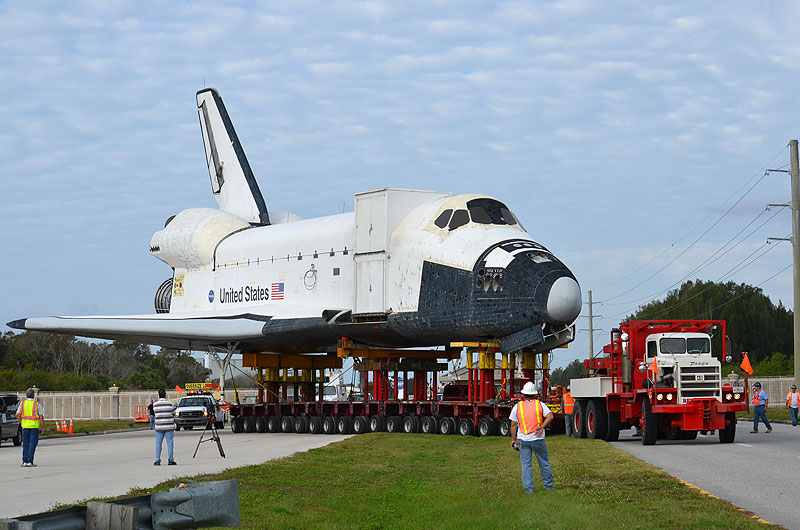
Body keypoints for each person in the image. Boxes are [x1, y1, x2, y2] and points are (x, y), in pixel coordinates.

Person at [510, 382, 554, 494]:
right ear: (535, 394)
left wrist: (513, 440)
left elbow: (513, 425)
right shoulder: (539, 404)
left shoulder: (517, 406)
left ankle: (529, 490)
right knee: (544, 463)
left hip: (523, 440)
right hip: (538, 439)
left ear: (523, 394)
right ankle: (548, 487)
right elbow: (550, 416)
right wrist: (542, 426)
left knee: (526, 465)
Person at [15, 388, 44, 467]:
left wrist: (22, 422)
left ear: (26, 395)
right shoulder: (37, 404)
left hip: (25, 427)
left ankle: (24, 461)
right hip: (34, 427)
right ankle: (30, 461)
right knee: (32, 444)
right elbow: (41, 417)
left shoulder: (22, 404)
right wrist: (42, 427)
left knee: (25, 444)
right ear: (33, 395)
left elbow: (17, 414)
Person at [153, 388, 177, 465]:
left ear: (159, 395)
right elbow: (174, 413)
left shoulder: (155, 405)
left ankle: (157, 460)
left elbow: (155, 413)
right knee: (170, 443)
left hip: (159, 427)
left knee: (158, 444)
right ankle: (170, 459)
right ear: (165, 395)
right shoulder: (170, 404)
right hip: (169, 426)